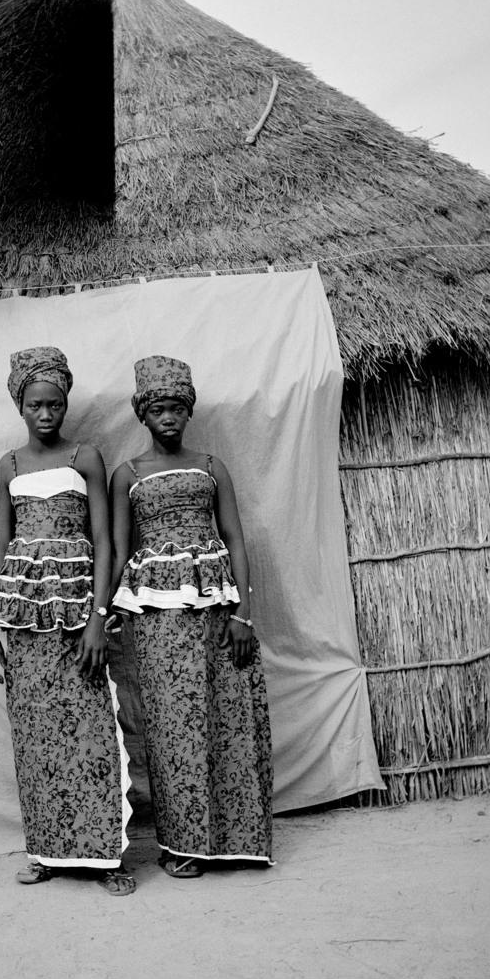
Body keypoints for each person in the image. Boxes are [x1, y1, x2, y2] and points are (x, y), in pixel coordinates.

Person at [0, 346, 134, 896]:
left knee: (90, 730)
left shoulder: (84, 457)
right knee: (35, 736)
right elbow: (3, 546)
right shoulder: (10, 467)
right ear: (20, 406)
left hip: (76, 617)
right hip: (23, 619)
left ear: (64, 404)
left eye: (54, 404)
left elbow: (104, 542)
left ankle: (106, 857)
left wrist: (98, 618)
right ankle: (46, 850)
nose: (45, 414)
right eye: (35, 405)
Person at [110, 355, 273, 877]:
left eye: (178, 408)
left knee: (228, 718)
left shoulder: (210, 467)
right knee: (172, 726)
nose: (169, 418)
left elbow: (235, 538)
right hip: (158, 618)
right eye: (159, 409)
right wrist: (103, 612)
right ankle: (182, 846)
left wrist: (243, 615)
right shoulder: (127, 474)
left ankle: (234, 840)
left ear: (188, 412)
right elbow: (117, 549)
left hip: (218, 610)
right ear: (143, 414)